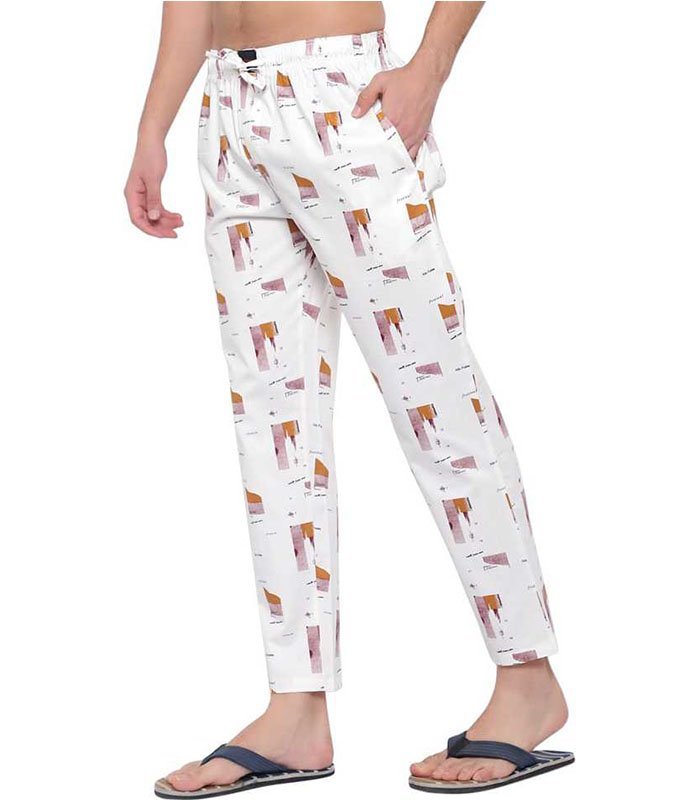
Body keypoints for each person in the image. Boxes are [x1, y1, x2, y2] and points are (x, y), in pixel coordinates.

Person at [125, 2, 572, 795]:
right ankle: (295, 709)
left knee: (434, 391)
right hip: (230, 110)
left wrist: (430, 68)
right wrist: (152, 125)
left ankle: (528, 678)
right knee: (273, 422)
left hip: (338, 95)